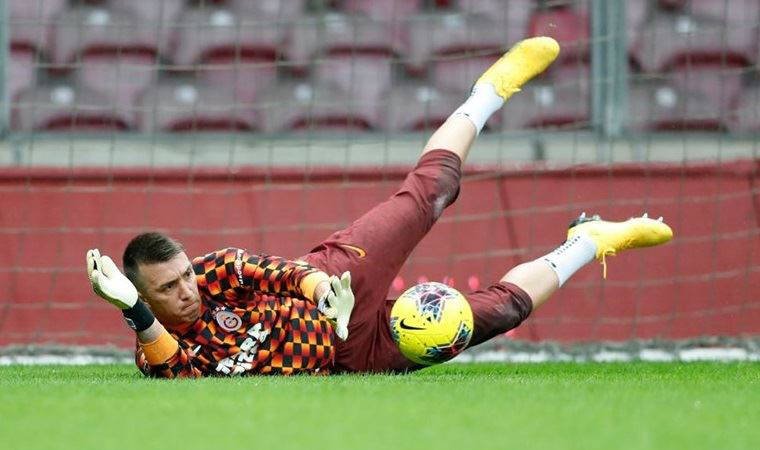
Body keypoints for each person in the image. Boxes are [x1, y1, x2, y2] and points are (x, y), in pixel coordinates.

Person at [85, 37, 673, 378]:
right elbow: (174, 369)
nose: (187, 290)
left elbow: (274, 272)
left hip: (341, 281)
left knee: (429, 193)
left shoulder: (213, 272)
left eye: (184, 275)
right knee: (499, 313)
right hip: (357, 356)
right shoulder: (158, 351)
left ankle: (490, 91)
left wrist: (323, 290)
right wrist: (134, 310)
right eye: (168, 288)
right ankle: (588, 241)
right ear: (144, 298)